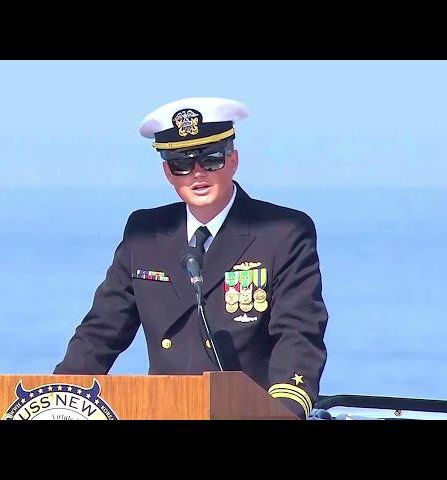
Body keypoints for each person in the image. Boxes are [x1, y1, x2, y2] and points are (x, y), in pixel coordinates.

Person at [54, 97, 328, 419]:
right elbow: (100, 333)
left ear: (233, 160)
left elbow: (298, 334)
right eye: (181, 164)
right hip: (163, 411)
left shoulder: (282, 232)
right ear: (167, 173)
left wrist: (283, 411)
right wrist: (58, 399)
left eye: (210, 160)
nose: (197, 174)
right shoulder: (144, 234)